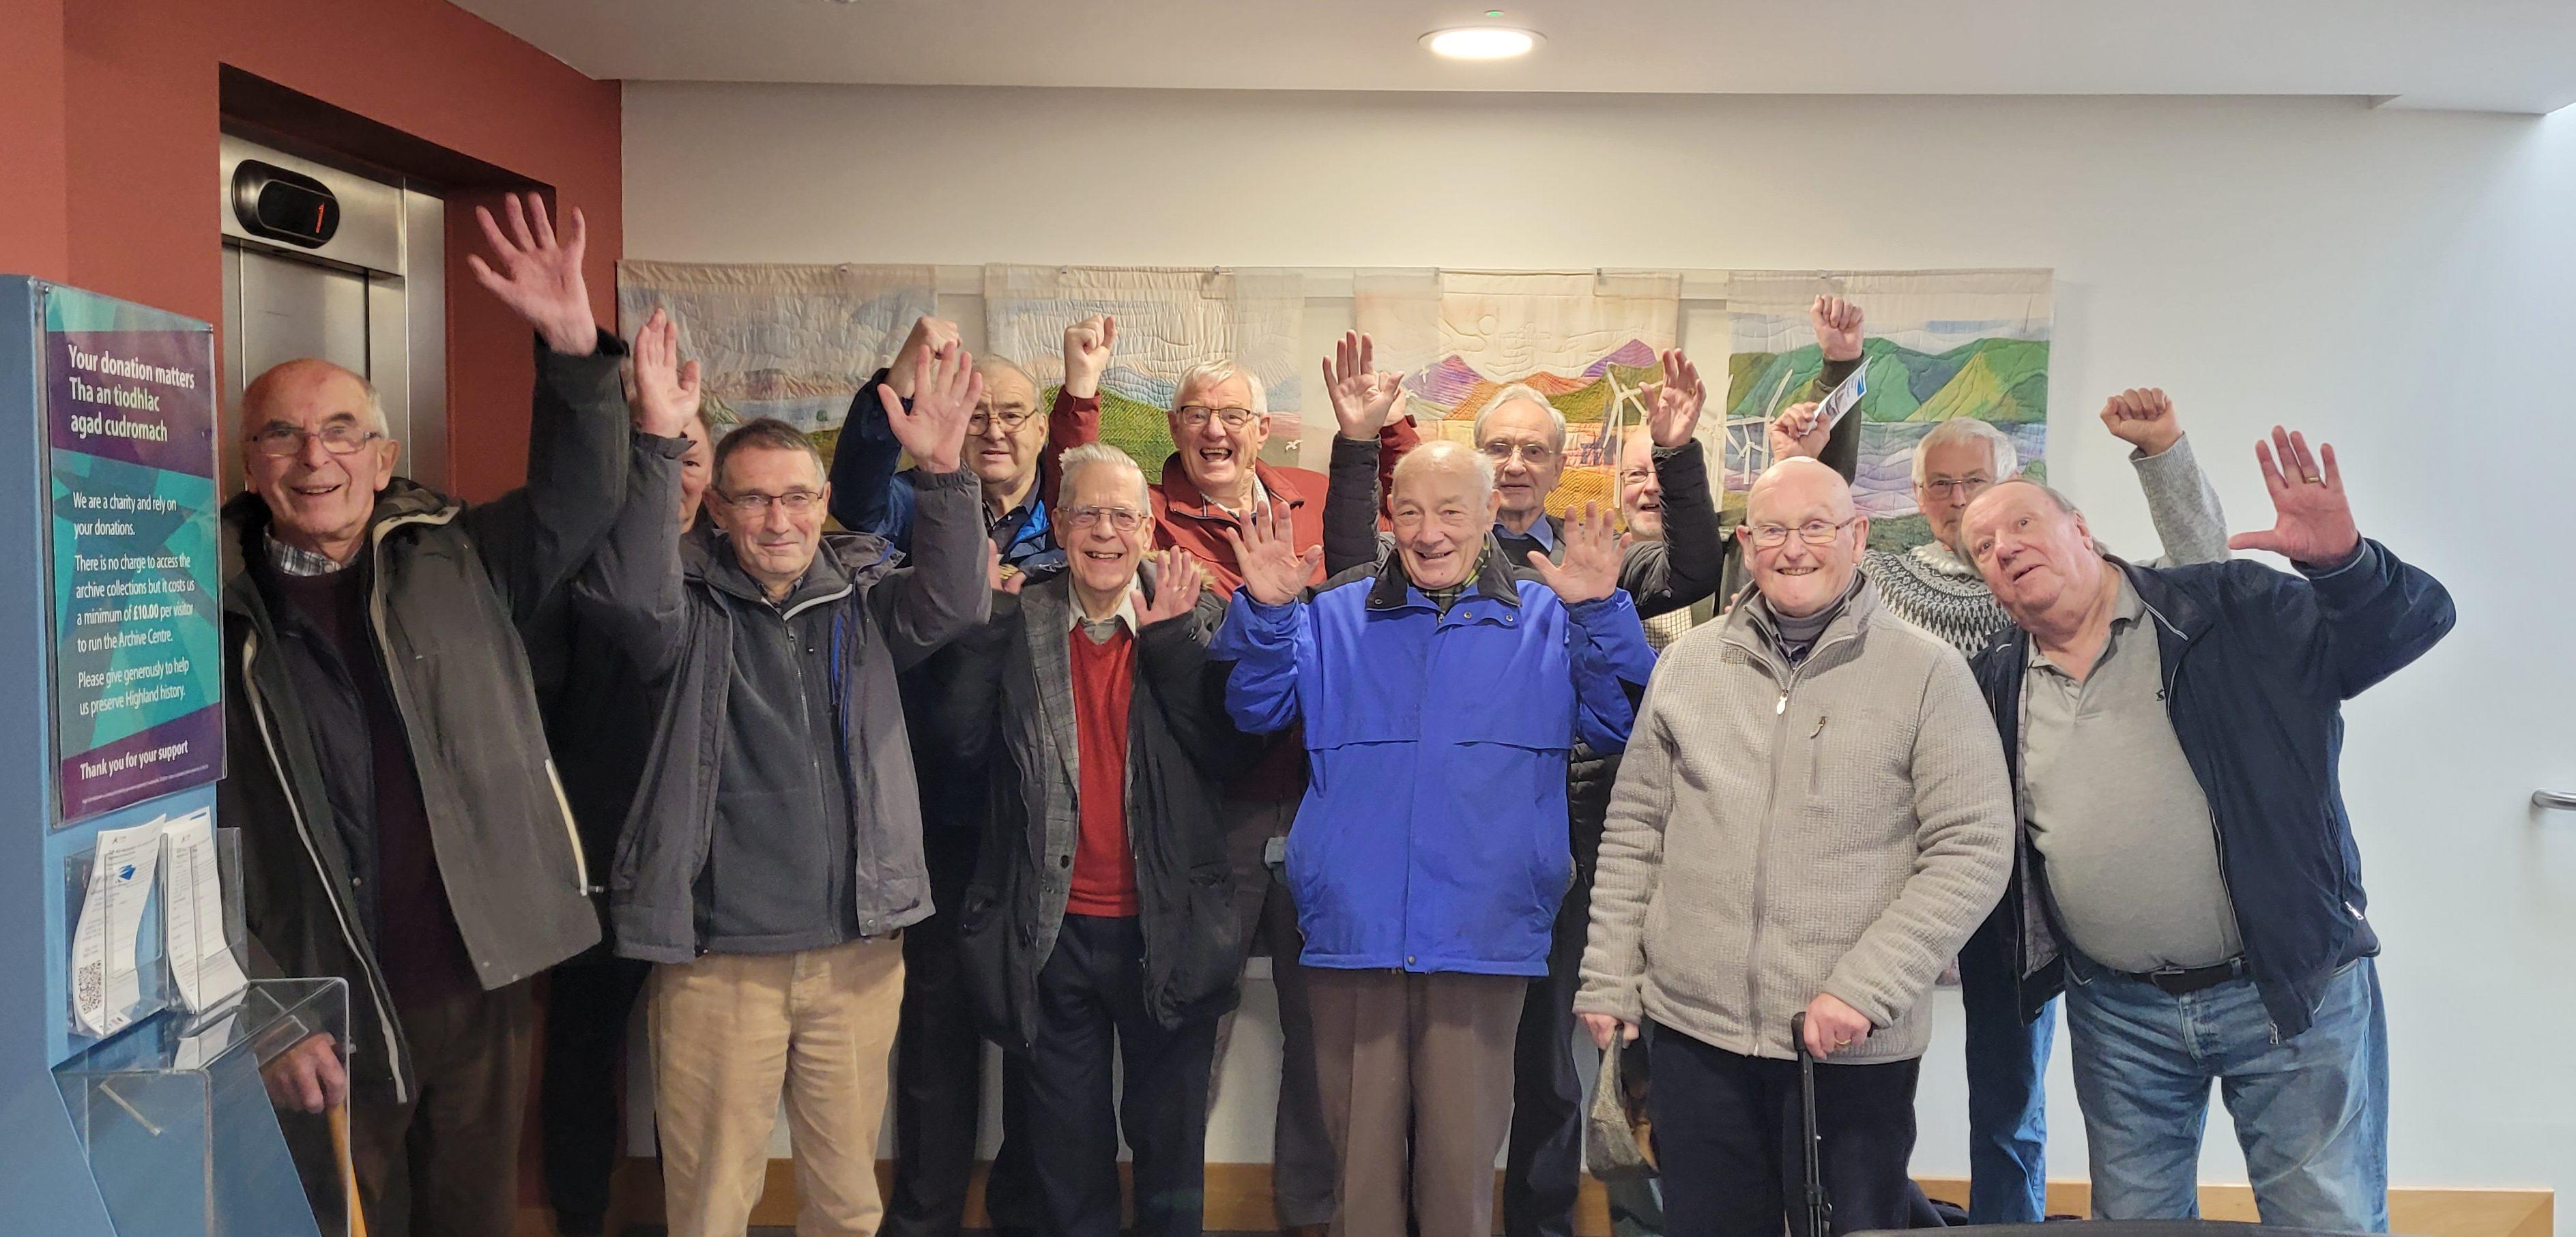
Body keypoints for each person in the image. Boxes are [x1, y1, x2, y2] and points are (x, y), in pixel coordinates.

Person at [1320, 300, 1862, 1237]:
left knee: (1542, 1063)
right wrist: (1355, 446)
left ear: (1557, 463)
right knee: (1423, 1083)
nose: (1516, 461)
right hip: (1461, 854)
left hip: (1576, 839)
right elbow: (1342, 568)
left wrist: (1678, 455)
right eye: (1498, 447)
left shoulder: (1589, 557)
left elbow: (1696, 566)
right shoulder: (1427, 559)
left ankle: (1541, 1223)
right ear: (1476, 466)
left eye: (1534, 447)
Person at [224, 192, 623, 1237]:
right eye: (283, 433)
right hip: (327, 1005)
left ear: (383, 455)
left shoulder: (463, 554)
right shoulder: (207, 609)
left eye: (343, 431)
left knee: (473, 1219)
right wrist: (265, 1002)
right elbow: (189, 829)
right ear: (249, 462)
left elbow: (580, 501)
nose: (317, 456)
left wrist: (574, 347)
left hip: (477, 982)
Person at [1958, 428, 2454, 1231]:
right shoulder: (1996, 683)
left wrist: (2345, 565)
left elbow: (2403, 631)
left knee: (2324, 1217)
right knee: (2137, 1224)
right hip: (2118, 1016)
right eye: (1982, 546)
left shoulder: (2227, 609)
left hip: (2287, 990)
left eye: (2020, 525)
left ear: (2080, 528)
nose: (2003, 549)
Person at [1774, 385, 2231, 1224]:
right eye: (1939, 486)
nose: (1956, 500)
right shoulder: (1874, 580)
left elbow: (2207, 571)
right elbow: (1797, 570)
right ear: (1915, 499)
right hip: (1888, 875)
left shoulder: (2060, 575)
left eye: (1973, 481)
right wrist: (1795, 465)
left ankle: (2003, 1222)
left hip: (2025, 879)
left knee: (2009, 1090)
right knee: (1854, 1088)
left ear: (2015, 481)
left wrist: (2164, 455)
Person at [573, 343, 989, 1237]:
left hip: (856, 957)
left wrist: (946, 474)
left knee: (844, 1203)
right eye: (754, 498)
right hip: (719, 962)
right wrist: (653, 444)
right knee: (714, 1205)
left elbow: (955, 604)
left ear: (823, 504)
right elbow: (628, 597)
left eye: (797, 496)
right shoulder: (679, 606)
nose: (777, 519)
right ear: (717, 508)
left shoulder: (867, 600)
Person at [1212, 441, 1655, 1237]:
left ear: (1492, 516)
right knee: (1360, 1183)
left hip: (1486, 934)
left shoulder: (1549, 613)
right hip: (1352, 932)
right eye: (1410, 511)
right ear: (1391, 515)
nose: (1428, 532)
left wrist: (1600, 612)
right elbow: (1254, 709)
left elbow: (1621, 720)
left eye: (1451, 510)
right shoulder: (1334, 614)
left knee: (1458, 1183)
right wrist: (1270, 612)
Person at [1575, 454, 2015, 1237]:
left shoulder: (1927, 674)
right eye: (1773, 530)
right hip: (1694, 1035)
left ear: (1857, 536)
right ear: (1747, 544)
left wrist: (1866, 989)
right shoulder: (1687, 664)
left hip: (1846, 1045)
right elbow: (1637, 828)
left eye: (1817, 526)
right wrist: (1610, 973)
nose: (1794, 548)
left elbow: (1973, 847)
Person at [1048, 314, 1342, 1234]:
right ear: (1171, 428)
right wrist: (1080, 391)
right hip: (1209, 812)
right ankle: (1166, 1203)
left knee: (1320, 1028)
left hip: (1321, 803)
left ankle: (1308, 1212)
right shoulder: (1142, 518)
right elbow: (1070, 493)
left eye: (1232, 414)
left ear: (1264, 429)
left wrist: (1377, 432)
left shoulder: (1310, 500)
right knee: (1183, 1038)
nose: (1213, 429)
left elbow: (1380, 539)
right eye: (1194, 412)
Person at [921, 443, 1255, 1237]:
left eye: (1123, 516)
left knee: (1169, 1142)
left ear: (1148, 530)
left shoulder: (1193, 611)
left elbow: (1228, 755)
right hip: (1048, 933)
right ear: (1061, 524)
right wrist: (980, 631)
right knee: (1065, 1151)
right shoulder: (1017, 616)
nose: (1104, 532)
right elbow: (958, 749)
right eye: (1087, 514)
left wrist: (1173, 646)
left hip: (1165, 928)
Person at [830, 316, 1056, 1237]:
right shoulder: (903, 507)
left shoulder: (1077, 517)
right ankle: (923, 1217)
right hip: (929, 819)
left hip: (1042, 828)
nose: (995, 430)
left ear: (1044, 428)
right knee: (934, 1037)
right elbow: (851, 484)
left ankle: (1022, 1215)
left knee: (1042, 1040)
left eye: (1014, 415)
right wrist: (895, 384)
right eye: (979, 414)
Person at [529, 309, 712, 1237]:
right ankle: (580, 1218)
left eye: (693, 454)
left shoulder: (734, 575)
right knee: (585, 1050)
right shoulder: (582, 579)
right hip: (597, 864)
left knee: (705, 1063)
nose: (679, 473)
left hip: (710, 872)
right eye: (665, 451)